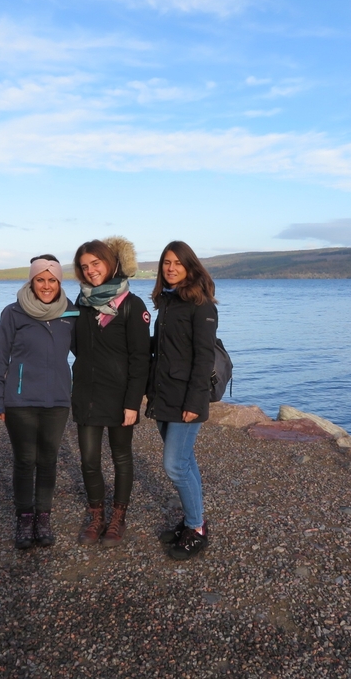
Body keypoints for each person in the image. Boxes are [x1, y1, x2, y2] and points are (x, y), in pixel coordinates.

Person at [0, 255, 78, 550]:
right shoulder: (13, 313)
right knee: (26, 460)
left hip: (58, 399)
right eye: (41, 279)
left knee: (48, 459)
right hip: (20, 399)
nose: (46, 285)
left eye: (52, 280)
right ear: (32, 281)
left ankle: (43, 516)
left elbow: (90, 351)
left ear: (60, 282)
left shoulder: (71, 313)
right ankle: (25, 516)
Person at [70, 237, 151, 547]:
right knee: (89, 459)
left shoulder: (132, 305)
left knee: (121, 457)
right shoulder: (81, 304)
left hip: (120, 398)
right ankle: (96, 514)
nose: (91, 271)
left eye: (96, 263)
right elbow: (76, 346)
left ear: (110, 263)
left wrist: (133, 402)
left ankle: (118, 517)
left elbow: (141, 359)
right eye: (84, 266)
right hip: (87, 394)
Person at [146, 240, 217, 560]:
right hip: (164, 393)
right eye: (166, 263)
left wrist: (194, 403)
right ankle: (193, 521)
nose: (171, 268)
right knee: (185, 462)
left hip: (186, 399)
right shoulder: (168, 302)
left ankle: (196, 528)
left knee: (174, 466)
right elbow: (161, 348)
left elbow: (204, 359)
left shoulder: (202, 306)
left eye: (177, 263)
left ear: (190, 266)